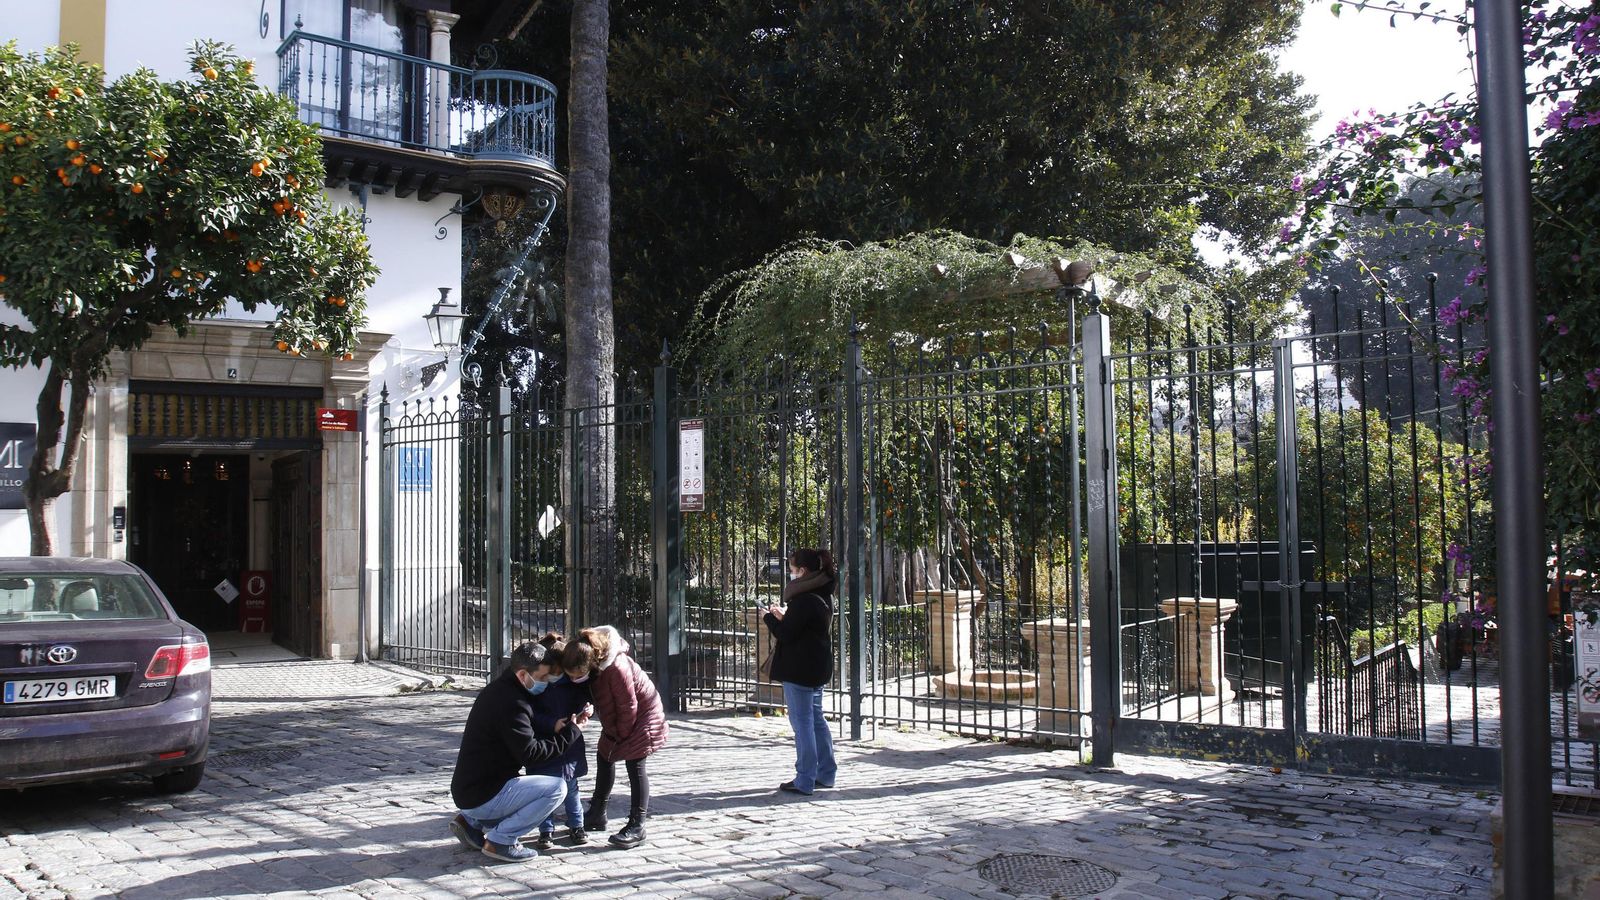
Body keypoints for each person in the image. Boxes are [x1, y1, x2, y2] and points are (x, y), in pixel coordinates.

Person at [449, 642, 583, 863]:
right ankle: (502, 840)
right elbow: (530, 753)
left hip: (471, 789)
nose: (545, 683)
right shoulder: (513, 703)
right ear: (523, 674)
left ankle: (471, 824)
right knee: (556, 788)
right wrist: (572, 733)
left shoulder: (499, 689)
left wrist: (553, 726)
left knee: (525, 787)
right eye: (542, 677)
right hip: (481, 794)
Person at [562, 625, 668, 848]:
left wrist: (621, 735)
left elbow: (628, 705)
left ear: (591, 665)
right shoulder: (590, 659)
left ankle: (637, 825)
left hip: (643, 716)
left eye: (577, 676)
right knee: (604, 756)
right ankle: (598, 812)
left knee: (635, 764)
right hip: (618, 719)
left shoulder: (616, 667)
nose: (574, 680)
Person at [762, 547, 838, 796]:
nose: (791, 575)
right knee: (816, 719)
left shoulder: (804, 599)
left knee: (802, 723)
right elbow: (805, 627)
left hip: (800, 668)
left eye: (793, 570)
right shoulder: (823, 594)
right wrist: (785, 616)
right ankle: (826, 773)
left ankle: (805, 778)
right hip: (818, 666)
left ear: (803, 571)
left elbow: (786, 634)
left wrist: (769, 618)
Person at [527, 633, 593, 848]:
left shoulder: (572, 684)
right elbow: (531, 714)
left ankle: (577, 825)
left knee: (571, 788)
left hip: (568, 747)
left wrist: (584, 711)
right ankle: (546, 829)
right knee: (544, 792)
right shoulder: (537, 686)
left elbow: (583, 700)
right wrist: (550, 723)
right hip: (545, 746)